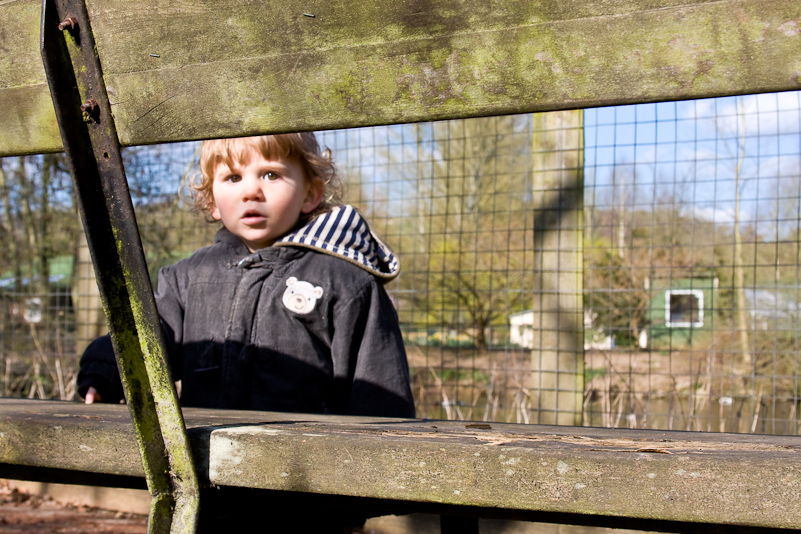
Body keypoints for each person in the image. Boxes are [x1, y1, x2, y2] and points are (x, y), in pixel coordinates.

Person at [77, 133, 415, 419]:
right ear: (212, 200)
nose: (251, 191)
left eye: (270, 174)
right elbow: (150, 334)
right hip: (207, 465)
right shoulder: (189, 277)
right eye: (233, 178)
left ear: (310, 194)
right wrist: (107, 368)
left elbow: (379, 388)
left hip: (310, 476)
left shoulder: (344, 281)